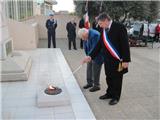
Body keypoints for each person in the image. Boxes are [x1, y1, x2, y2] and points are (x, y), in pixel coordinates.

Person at [82, 13, 131, 105]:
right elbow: (99, 45)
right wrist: (90, 56)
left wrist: (126, 60)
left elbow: (125, 45)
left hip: (118, 60)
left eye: (100, 23)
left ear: (106, 21)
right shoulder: (103, 29)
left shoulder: (119, 27)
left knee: (117, 79)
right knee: (109, 77)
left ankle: (116, 97)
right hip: (107, 60)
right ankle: (109, 93)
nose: (99, 26)